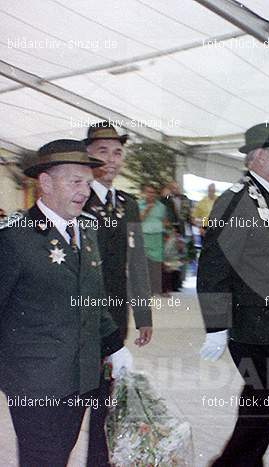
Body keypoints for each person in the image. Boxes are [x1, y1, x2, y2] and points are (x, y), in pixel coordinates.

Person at [0, 139, 133, 466]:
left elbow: (95, 299)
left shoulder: (87, 231)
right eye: (75, 181)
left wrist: (115, 345)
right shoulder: (14, 239)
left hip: (82, 377)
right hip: (37, 385)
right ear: (45, 183)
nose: (85, 191)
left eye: (88, 182)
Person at [197, 123, 269, 466]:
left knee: (262, 400)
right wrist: (215, 325)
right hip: (248, 322)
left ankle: (245, 462)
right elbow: (214, 263)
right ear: (257, 157)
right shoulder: (238, 200)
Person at [83, 122, 153, 465]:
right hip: (83, 318)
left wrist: (143, 315)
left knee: (107, 405)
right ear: (87, 155)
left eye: (117, 153)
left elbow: (137, 262)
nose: (111, 160)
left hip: (117, 319)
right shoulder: (77, 200)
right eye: (102, 152)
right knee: (75, 403)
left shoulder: (129, 203)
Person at [139, 182, 167, 295]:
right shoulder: (138, 205)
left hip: (157, 237)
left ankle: (156, 289)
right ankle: (145, 289)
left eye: (152, 192)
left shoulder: (161, 206)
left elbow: (165, 221)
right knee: (143, 264)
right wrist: (146, 210)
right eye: (148, 192)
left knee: (156, 264)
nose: (150, 194)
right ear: (144, 193)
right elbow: (136, 220)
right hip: (143, 237)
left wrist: (164, 230)